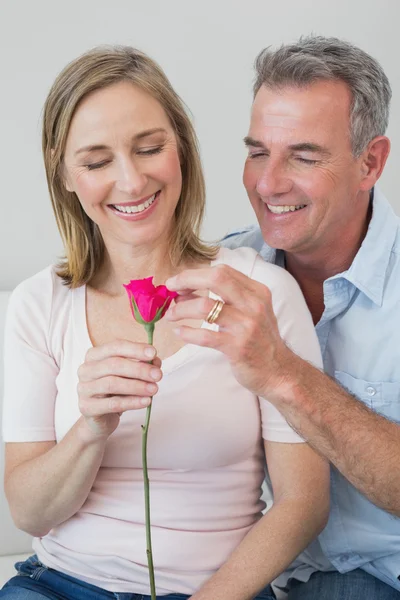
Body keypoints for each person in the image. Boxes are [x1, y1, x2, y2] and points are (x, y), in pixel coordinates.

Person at [1, 45, 329, 600]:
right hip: (58, 586)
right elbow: (31, 513)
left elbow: (304, 503)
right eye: (97, 161)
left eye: (149, 148)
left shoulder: (259, 293)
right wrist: (90, 430)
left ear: (182, 148)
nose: (130, 182)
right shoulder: (39, 304)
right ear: (65, 175)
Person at [165, 36, 400, 599]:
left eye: (304, 155)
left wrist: (282, 372)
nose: (268, 183)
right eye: (256, 151)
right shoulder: (226, 271)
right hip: (278, 575)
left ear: (370, 162)